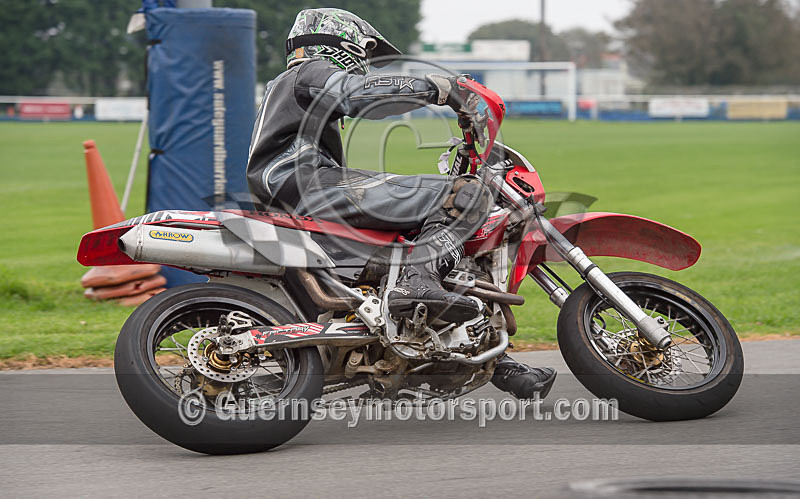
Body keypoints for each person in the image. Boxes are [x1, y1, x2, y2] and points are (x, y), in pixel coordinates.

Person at [246, 8, 555, 400]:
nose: (363, 63)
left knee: (423, 239)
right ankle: (416, 283)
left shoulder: (296, 85)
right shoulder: (308, 73)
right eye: (363, 53)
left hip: (298, 190)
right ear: (341, 43)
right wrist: (442, 88)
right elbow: (357, 94)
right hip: (303, 184)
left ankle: (489, 357)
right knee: (464, 194)